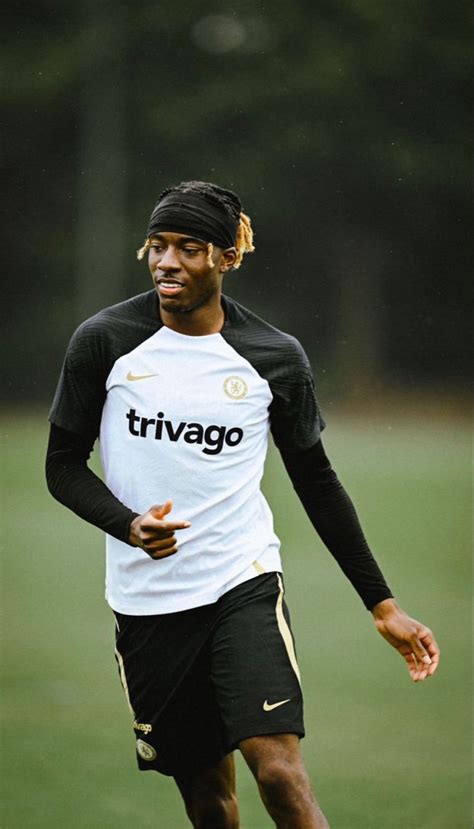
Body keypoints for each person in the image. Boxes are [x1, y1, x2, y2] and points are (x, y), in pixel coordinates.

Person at [46, 181, 440, 829]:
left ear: (228, 257)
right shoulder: (105, 340)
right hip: (147, 604)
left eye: (190, 248)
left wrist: (383, 604)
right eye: (158, 245)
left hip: (242, 582)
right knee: (208, 796)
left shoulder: (274, 358)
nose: (167, 261)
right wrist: (129, 524)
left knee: (281, 775)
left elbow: (315, 479)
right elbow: (61, 465)